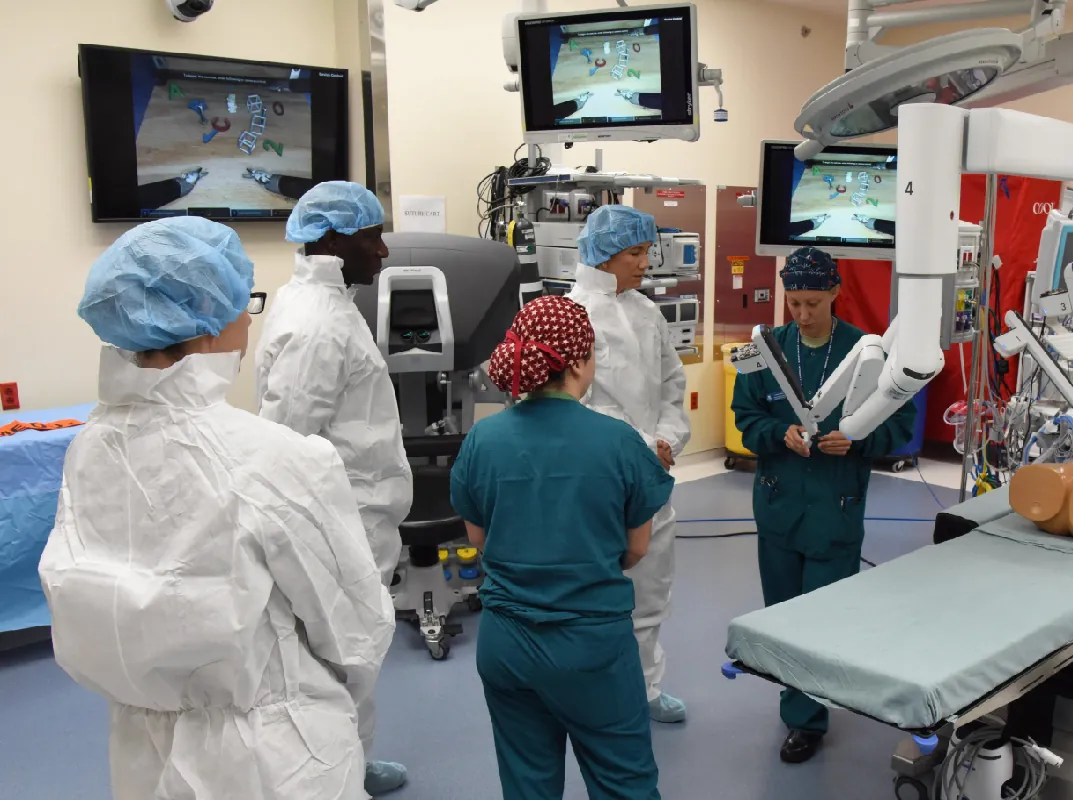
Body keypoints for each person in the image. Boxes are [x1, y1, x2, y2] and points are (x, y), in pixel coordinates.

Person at [40, 217, 394, 799]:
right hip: (278, 755)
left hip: (142, 745)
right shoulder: (274, 457)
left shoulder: (90, 446)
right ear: (208, 326)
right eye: (244, 305)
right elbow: (355, 629)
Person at [451, 296, 674, 800]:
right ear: (577, 361)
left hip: (507, 645)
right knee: (624, 782)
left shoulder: (483, 440)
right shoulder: (619, 442)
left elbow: (478, 539)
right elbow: (637, 548)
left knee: (528, 782)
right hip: (591, 645)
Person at [253, 180, 413, 795]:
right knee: (343, 654)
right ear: (333, 238)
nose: (384, 251)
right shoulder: (318, 323)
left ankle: (351, 758)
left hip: (355, 512)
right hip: (338, 516)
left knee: (355, 650)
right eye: (373, 235)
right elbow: (287, 441)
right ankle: (335, 772)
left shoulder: (326, 303)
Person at [731, 245, 917, 764]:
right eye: (794, 303)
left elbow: (900, 427)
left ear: (837, 292)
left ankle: (814, 713)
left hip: (835, 508)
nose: (804, 314)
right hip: (779, 507)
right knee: (786, 619)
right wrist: (778, 432)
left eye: (814, 302)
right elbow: (746, 419)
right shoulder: (764, 351)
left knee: (824, 621)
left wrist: (855, 441)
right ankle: (800, 715)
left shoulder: (868, 352)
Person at [567, 205, 692, 724]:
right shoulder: (574, 315)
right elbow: (577, 403)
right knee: (597, 596)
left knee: (651, 593)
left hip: (652, 475)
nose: (646, 263)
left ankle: (645, 690)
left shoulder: (645, 311)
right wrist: (640, 444)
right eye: (635, 253)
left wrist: (667, 438)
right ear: (603, 254)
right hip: (600, 482)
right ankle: (595, 696)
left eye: (647, 252)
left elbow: (671, 384)